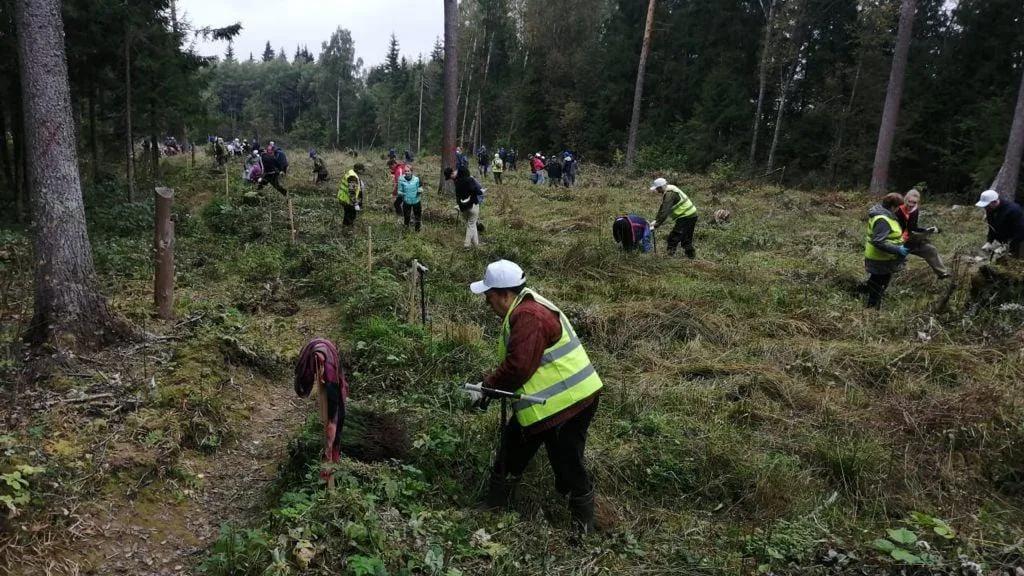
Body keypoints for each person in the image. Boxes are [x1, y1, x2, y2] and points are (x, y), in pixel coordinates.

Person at [467, 259, 603, 536]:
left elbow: (518, 367)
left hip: (568, 404)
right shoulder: (525, 307)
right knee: (512, 447)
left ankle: (583, 527)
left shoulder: (529, 316)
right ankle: (494, 506)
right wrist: (489, 388)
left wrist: (486, 388)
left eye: (489, 298)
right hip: (543, 405)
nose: (488, 305)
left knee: (567, 463)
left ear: (505, 294)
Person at [294, 338, 349, 487]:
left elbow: (333, 412)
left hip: (330, 380)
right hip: (325, 368)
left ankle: (331, 467)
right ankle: (329, 472)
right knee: (332, 423)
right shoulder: (319, 359)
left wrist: (331, 422)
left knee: (334, 422)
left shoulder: (329, 371)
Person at [864, 193, 910, 309]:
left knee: (878, 281)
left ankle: (866, 297)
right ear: (892, 206)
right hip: (879, 258)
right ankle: (872, 308)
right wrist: (897, 249)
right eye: (898, 206)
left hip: (884, 257)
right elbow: (878, 241)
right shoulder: (883, 220)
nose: (899, 209)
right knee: (879, 284)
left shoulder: (886, 216)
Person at [894, 189, 949, 278]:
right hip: (896, 239)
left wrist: (928, 230)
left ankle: (942, 273)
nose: (911, 205)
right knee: (898, 261)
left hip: (909, 239)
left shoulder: (915, 211)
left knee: (930, 250)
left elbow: (913, 227)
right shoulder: (897, 209)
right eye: (909, 202)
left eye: (914, 203)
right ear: (905, 199)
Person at [650, 178, 698, 258]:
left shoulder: (669, 195)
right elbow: (662, 208)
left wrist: (656, 225)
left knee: (674, 237)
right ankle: (691, 257)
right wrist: (655, 220)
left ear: (661, 187)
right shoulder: (670, 189)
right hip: (691, 215)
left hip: (686, 216)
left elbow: (665, 211)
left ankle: (669, 257)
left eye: (657, 189)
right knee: (686, 239)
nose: (657, 191)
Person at [976, 189, 1024, 258]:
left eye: (987, 206)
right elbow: (992, 227)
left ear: (995, 202)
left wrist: (1007, 246)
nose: (985, 208)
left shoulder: (1014, 210)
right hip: (1004, 241)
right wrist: (989, 241)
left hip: (1018, 241)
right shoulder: (990, 209)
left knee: (1017, 261)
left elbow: (1021, 231)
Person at [445, 166, 484, 249]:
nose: (451, 179)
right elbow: (478, 190)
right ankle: (467, 244)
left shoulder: (458, 183)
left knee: (472, 224)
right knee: (472, 224)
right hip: (473, 205)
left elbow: (458, 196)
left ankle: (476, 244)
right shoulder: (469, 180)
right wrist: (481, 191)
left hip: (464, 207)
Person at [338, 163, 366, 230]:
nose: (363, 172)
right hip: (348, 200)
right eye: (362, 170)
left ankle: (346, 228)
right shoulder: (353, 177)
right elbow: (352, 192)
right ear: (358, 170)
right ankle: (347, 231)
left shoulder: (351, 172)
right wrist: (355, 204)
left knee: (347, 215)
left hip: (344, 198)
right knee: (350, 216)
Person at [399, 165, 423, 232]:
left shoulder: (417, 179)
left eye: (408, 171)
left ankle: (417, 231)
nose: (406, 172)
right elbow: (399, 191)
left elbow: (420, 187)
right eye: (405, 171)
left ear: (411, 172)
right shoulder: (401, 179)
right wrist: (403, 194)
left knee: (417, 217)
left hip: (416, 201)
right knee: (406, 217)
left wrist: (420, 190)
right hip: (407, 201)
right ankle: (406, 230)